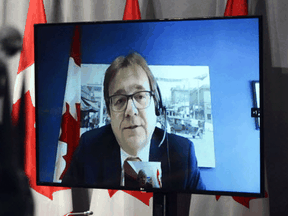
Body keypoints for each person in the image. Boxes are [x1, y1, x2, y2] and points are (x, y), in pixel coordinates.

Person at [62, 52, 205, 191]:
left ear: (156, 104)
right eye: (119, 100)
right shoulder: (88, 148)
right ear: (109, 112)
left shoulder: (182, 154)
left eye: (140, 96)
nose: (130, 110)